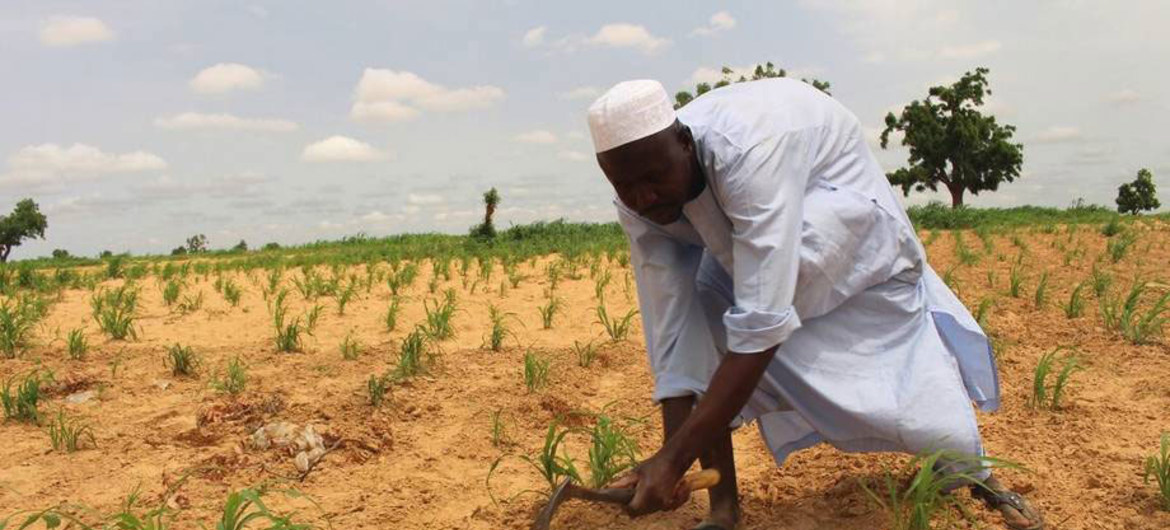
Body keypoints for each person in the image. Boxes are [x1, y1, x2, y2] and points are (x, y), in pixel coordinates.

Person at [586, 79, 1044, 530]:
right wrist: (673, 457)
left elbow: (761, 323)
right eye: (626, 186)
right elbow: (671, 322)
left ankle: (975, 471)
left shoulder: (747, 152)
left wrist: (672, 458)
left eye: (654, 178)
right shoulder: (636, 202)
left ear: (684, 142)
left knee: (903, 377)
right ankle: (723, 511)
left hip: (840, 226)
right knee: (704, 306)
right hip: (752, 250)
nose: (644, 197)